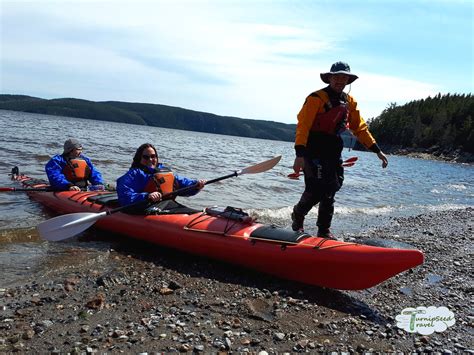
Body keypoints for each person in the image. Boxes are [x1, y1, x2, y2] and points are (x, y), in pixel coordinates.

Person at [292, 61, 388, 238]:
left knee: (332, 189)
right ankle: (298, 216)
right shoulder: (316, 98)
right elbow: (303, 126)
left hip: (333, 149)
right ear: (329, 78)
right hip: (313, 148)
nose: (340, 80)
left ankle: (323, 230)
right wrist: (299, 155)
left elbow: (360, 128)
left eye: (344, 77)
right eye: (336, 77)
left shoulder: (349, 101)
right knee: (316, 189)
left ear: (348, 81)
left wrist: (377, 150)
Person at [116, 143, 205, 208]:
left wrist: (196, 185)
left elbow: (183, 183)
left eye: (153, 156)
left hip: (166, 206)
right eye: (146, 157)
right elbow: (125, 196)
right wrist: (147, 196)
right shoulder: (134, 174)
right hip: (144, 209)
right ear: (139, 158)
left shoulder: (164, 172)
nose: (150, 159)